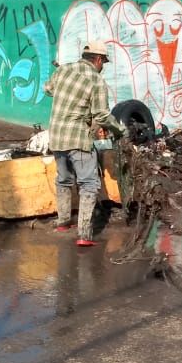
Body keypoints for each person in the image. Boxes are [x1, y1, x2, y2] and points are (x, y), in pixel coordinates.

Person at [44, 43, 125, 247]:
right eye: (103, 62)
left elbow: (48, 90)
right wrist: (120, 131)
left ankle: (63, 222)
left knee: (63, 179)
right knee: (88, 183)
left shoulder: (63, 70)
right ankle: (84, 234)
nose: (103, 66)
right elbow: (102, 115)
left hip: (56, 137)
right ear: (97, 60)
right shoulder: (96, 81)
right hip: (78, 139)